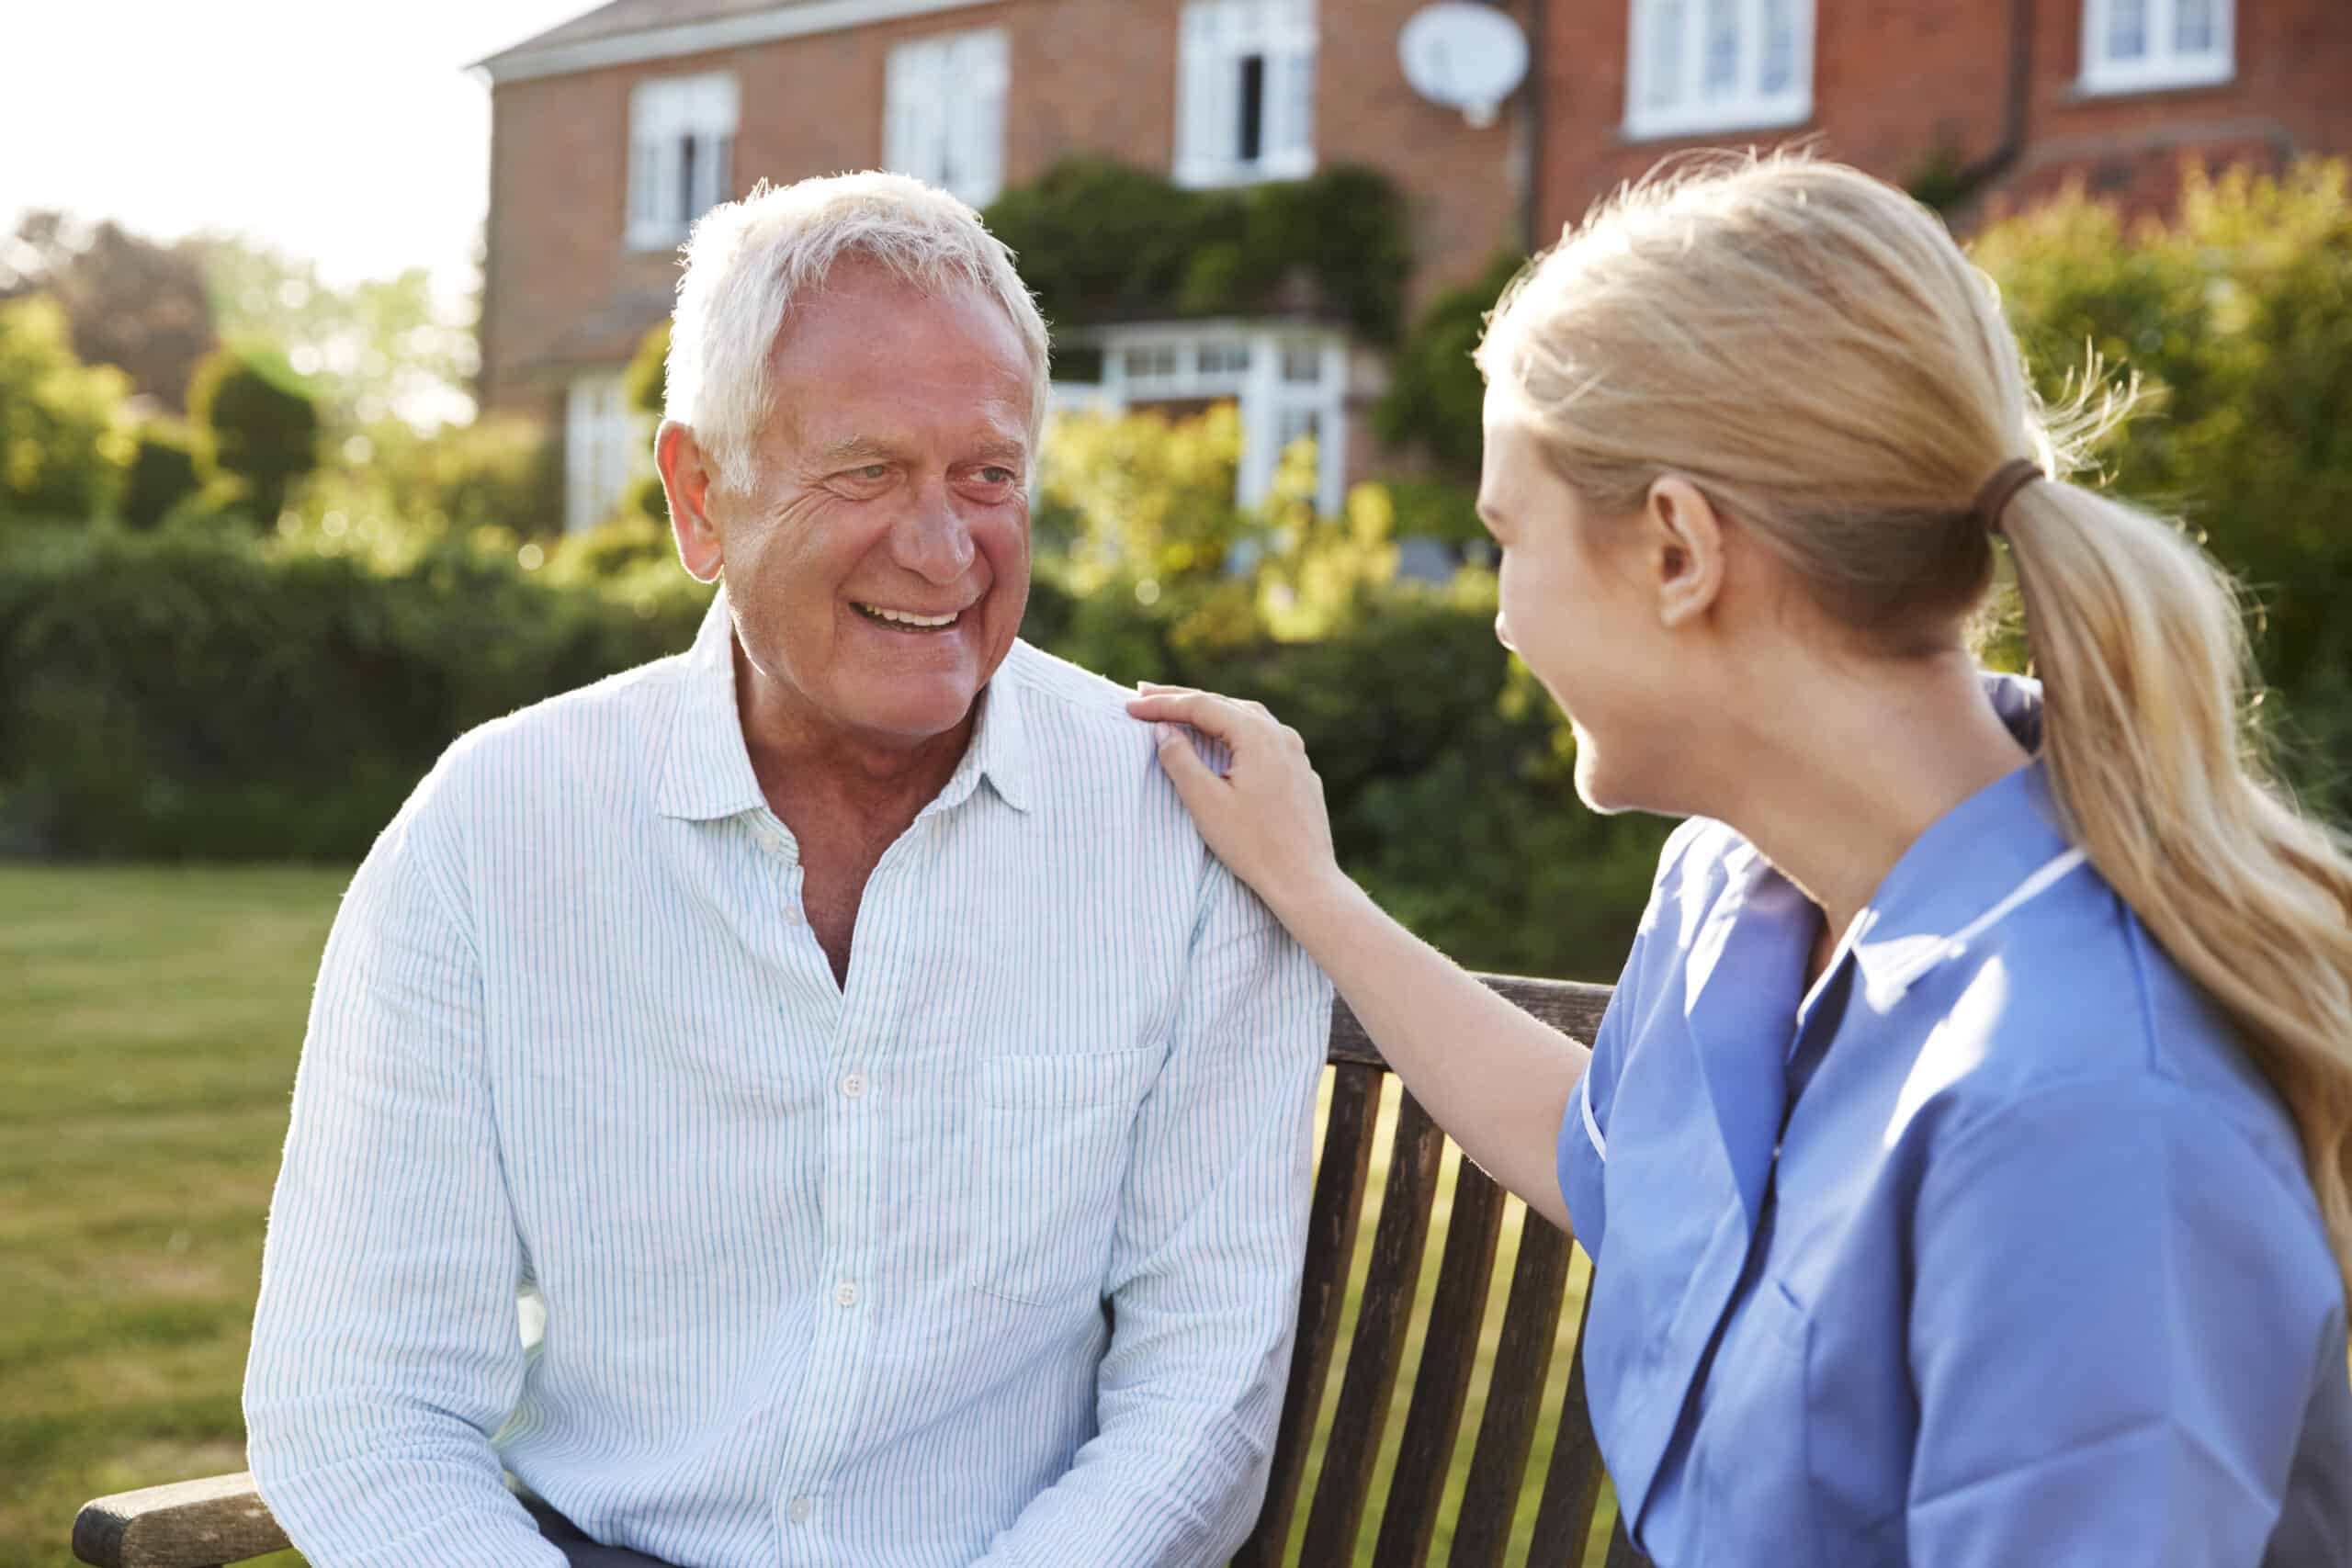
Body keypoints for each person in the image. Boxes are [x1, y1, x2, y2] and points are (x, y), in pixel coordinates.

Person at [1129, 153, 2352, 1566]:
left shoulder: (2084, 1108)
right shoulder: (1738, 889)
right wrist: (1312, 893)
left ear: (1677, 550)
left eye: (1507, 540)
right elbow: (1608, 1162)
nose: (1505, 620)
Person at [243, 172, 1331, 1568]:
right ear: (701, 496)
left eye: (988, 475)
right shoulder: (494, 829)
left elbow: (1205, 1394)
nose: (943, 548)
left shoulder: (1180, 832)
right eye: (865, 471)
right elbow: (363, 1397)